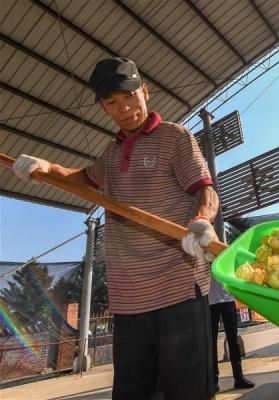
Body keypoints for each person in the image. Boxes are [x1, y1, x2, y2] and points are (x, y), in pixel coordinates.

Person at [12, 57, 219, 400]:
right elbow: (82, 179)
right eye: (112, 102)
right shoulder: (110, 154)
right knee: (132, 393)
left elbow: (205, 190)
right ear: (103, 107)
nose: (125, 109)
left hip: (178, 289)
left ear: (145, 91)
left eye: (129, 96)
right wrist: (45, 166)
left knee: (188, 391)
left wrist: (201, 222)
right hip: (129, 300)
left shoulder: (175, 137)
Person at [209, 277, 255, 392]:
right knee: (211, 343)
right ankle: (213, 381)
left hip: (227, 298)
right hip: (209, 301)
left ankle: (239, 377)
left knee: (233, 340)